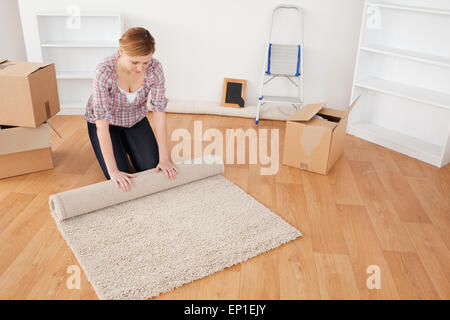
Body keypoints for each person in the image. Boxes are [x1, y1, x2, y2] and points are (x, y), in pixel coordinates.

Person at [84, 27, 177, 192]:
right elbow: (102, 125)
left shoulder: (155, 69)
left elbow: (159, 113)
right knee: (122, 175)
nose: (140, 68)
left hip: (135, 120)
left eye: (145, 62)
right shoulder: (104, 71)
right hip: (106, 124)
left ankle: (129, 144)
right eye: (134, 62)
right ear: (121, 51)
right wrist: (113, 170)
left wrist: (164, 158)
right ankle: (120, 149)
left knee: (152, 168)